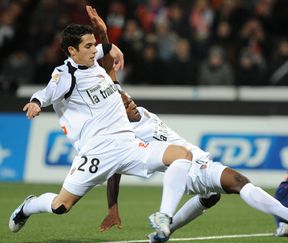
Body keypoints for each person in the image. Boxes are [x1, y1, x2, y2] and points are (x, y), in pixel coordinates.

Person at [84, 6, 288, 242]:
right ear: (119, 114)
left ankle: (162, 233)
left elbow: (107, 68)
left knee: (210, 197)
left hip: (191, 163)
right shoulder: (124, 131)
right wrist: (112, 207)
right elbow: (115, 172)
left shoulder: (127, 104)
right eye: (126, 105)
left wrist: (102, 33)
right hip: (190, 167)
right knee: (239, 182)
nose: (130, 102)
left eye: (128, 98)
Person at [9, 12, 195, 241]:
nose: (93, 50)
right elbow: (46, 93)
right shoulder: (66, 74)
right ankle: (28, 206)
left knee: (182, 154)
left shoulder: (92, 56)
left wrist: (111, 46)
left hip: (128, 144)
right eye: (88, 46)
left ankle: (164, 217)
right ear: (72, 51)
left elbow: (105, 50)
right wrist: (36, 104)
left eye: (94, 45)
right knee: (61, 206)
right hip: (95, 151)